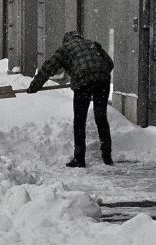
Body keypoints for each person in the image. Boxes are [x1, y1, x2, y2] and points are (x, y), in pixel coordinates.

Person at [27, 31, 114, 167]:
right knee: (101, 117)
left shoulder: (64, 49)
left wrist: (34, 86)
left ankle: (79, 158)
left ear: (66, 41)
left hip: (83, 80)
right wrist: (97, 73)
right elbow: (110, 63)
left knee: (80, 121)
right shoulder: (92, 44)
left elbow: (47, 68)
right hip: (102, 79)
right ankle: (107, 156)